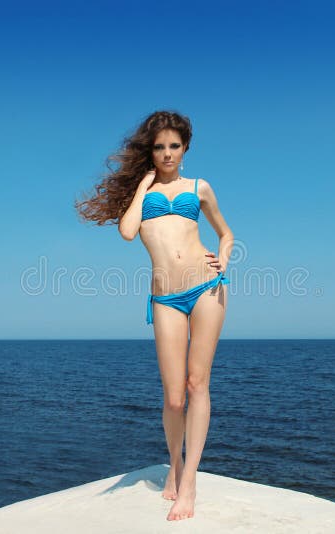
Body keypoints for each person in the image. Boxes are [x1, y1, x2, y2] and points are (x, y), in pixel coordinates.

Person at [75, 110, 234, 521]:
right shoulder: (142, 194)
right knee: (174, 395)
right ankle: (174, 467)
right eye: (160, 147)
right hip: (165, 298)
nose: (167, 153)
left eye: (174, 146)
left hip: (207, 288)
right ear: (152, 151)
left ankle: (190, 482)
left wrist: (226, 260)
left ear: (185, 149)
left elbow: (226, 232)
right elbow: (127, 231)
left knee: (199, 383)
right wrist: (144, 182)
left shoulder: (199, 188)